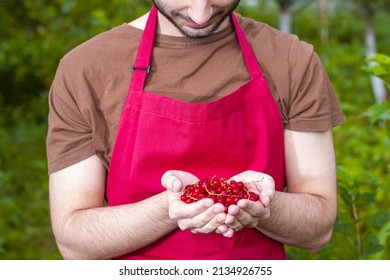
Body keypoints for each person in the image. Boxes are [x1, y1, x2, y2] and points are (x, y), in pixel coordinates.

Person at [46, 0, 345, 260]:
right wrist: (168, 210)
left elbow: (318, 229)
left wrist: (267, 207)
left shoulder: (292, 60)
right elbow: (73, 242)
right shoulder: (85, 70)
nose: (201, 13)